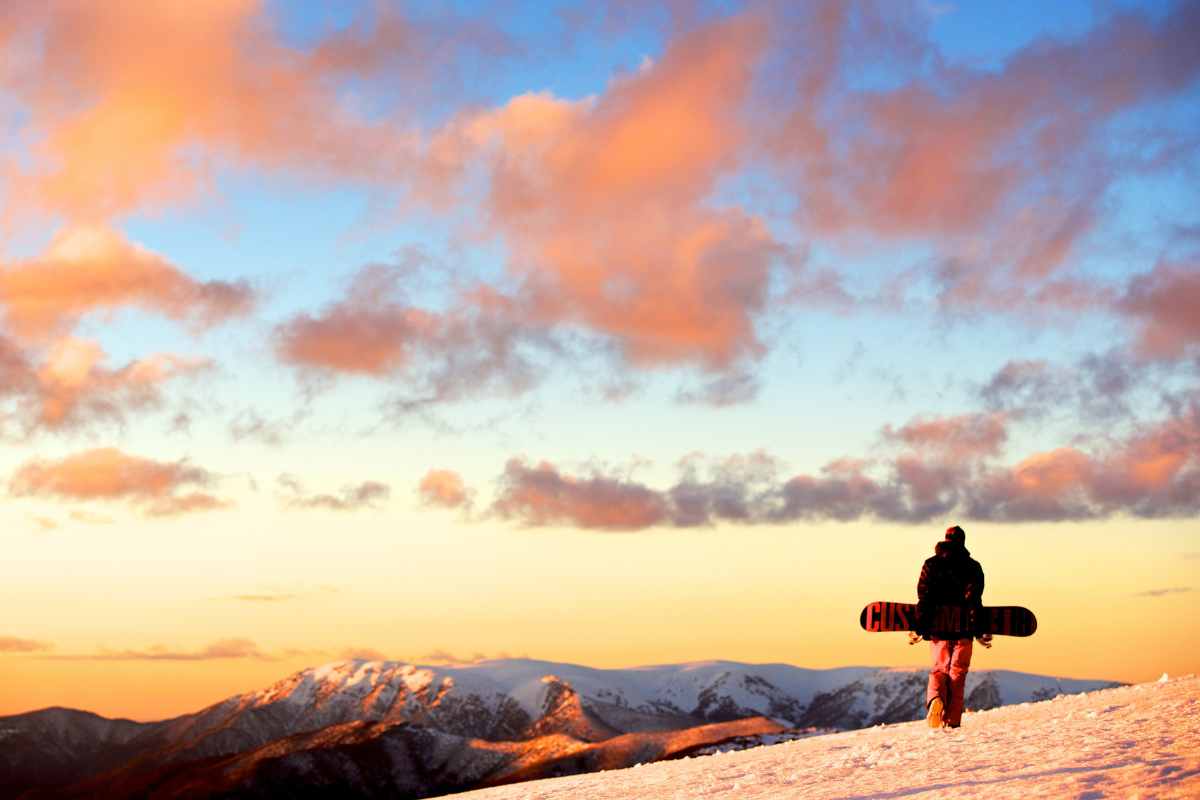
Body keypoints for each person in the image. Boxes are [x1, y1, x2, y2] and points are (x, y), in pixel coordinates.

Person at [908, 525, 992, 728]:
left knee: (939, 670)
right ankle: (952, 721)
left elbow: (924, 598)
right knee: (958, 673)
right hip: (964, 631)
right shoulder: (973, 567)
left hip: (938, 631)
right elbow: (974, 600)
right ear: (962, 542)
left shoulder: (931, 564)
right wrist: (978, 630)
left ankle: (937, 698)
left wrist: (919, 627)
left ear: (944, 540)